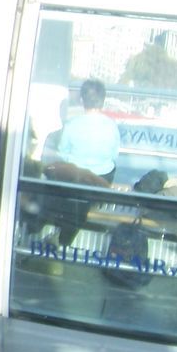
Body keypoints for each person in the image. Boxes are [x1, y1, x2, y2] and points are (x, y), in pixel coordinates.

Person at [48, 78, 120, 246]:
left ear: (82, 100)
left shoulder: (72, 125)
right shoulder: (111, 126)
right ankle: (64, 238)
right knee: (108, 168)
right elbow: (114, 154)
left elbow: (62, 153)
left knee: (60, 170)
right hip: (101, 182)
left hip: (76, 180)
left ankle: (60, 238)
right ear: (103, 101)